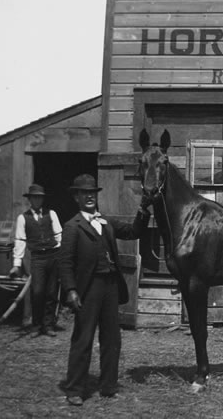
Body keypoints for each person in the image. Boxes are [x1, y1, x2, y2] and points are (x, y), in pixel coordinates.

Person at [58, 174, 151, 406]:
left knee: (112, 338)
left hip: (110, 286)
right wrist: (70, 289)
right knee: (83, 338)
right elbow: (65, 262)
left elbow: (132, 232)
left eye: (93, 192)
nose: (90, 196)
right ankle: (74, 389)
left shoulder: (106, 222)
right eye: (84, 193)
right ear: (76, 197)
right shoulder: (72, 227)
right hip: (88, 288)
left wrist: (143, 210)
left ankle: (108, 385)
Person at [9, 184, 62, 337]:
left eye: (40, 197)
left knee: (52, 292)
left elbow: (59, 235)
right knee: (37, 291)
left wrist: (60, 254)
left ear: (43, 199)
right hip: (37, 258)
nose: (37, 200)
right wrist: (16, 265)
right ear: (30, 199)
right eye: (34, 197)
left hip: (53, 256)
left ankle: (48, 325)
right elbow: (19, 241)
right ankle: (36, 325)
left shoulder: (51, 214)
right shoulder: (22, 218)